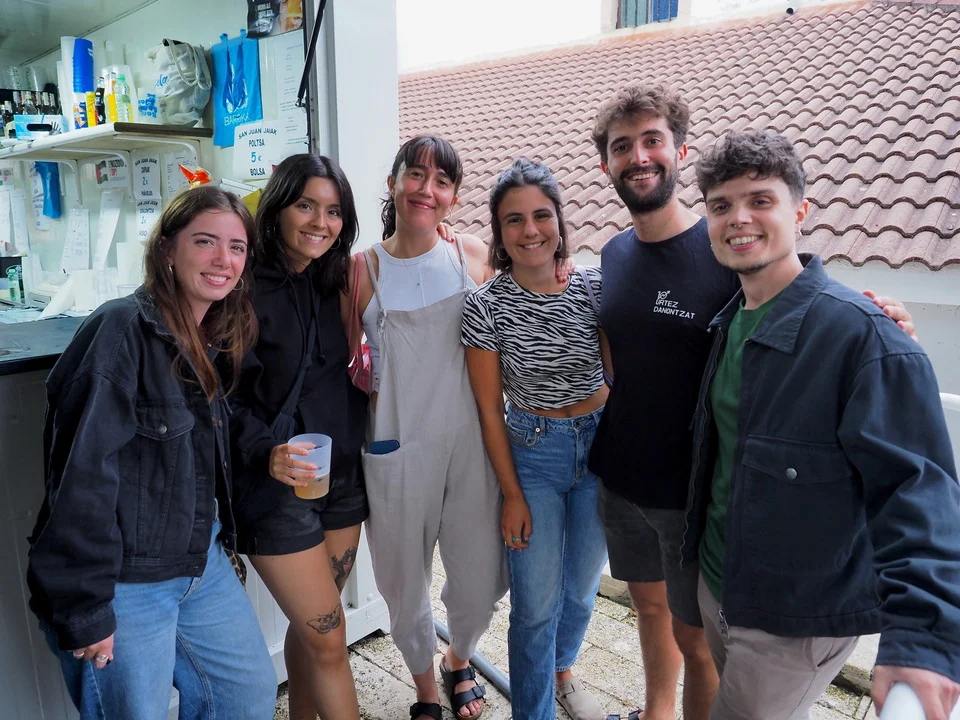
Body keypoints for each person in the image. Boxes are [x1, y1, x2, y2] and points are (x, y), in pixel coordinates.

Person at [587, 82, 918, 720]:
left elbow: (796, 297)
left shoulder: (721, 248)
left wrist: (879, 319)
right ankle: (655, 712)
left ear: (680, 151)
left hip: (692, 494)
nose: (639, 156)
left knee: (697, 643)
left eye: (653, 140)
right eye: (622, 146)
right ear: (606, 165)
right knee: (648, 609)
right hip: (621, 477)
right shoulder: (614, 252)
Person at [684, 128, 960, 720]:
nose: (739, 218)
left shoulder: (864, 337)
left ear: (800, 212)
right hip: (718, 584)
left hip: (792, 623)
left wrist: (923, 641)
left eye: (760, 200)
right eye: (721, 205)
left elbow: (918, 494)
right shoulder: (728, 321)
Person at [26, 185, 277, 720]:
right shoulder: (120, 330)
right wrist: (86, 609)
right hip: (125, 581)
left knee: (246, 697)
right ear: (167, 249)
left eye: (236, 247)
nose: (223, 259)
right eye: (205, 241)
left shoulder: (212, 335)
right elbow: (79, 481)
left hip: (200, 563)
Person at [351, 134, 507, 720]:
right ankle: (423, 685)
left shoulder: (470, 254)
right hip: (396, 443)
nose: (427, 189)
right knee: (401, 582)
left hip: (473, 440)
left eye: (442, 181)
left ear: (454, 197)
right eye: (415, 174)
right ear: (393, 182)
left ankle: (458, 657)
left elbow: (523, 305)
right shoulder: (361, 271)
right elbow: (341, 366)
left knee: (481, 578)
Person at [461, 158, 610, 720]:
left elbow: (624, 371)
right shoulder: (485, 306)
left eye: (542, 215)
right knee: (535, 606)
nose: (531, 230)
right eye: (514, 220)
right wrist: (512, 495)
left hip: (602, 450)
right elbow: (488, 409)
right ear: (499, 233)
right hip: (534, 453)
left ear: (560, 221)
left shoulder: (594, 287)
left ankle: (561, 668)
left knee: (581, 589)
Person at [226, 154, 369, 720]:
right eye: (306, 205)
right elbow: (219, 395)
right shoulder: (241, 287)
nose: (320, 222)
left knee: (313, 629)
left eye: (333, 211)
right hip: (276, 487)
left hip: (342, 477)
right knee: (330, 640)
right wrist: (265, 451)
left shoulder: (336, 278)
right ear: (278, 207)